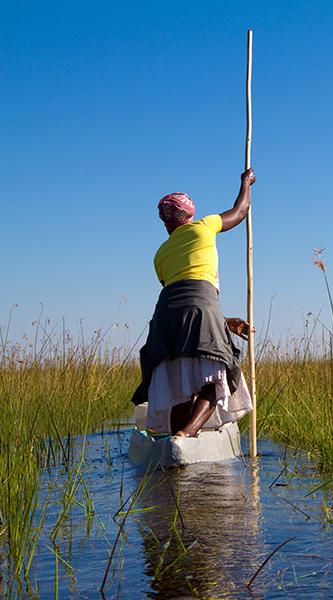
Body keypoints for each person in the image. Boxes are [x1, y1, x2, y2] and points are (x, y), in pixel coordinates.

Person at [131, 168, 256, 438]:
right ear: (190, 214)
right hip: (201, 305)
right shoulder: (204, 226)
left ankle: (175, 441)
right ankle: (186, 434)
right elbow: (241, 210)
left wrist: (226, 323)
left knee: (178, 383)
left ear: (165, 222)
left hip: (165, 314)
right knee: (215, 378)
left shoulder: (160, 254)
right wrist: (246, 183)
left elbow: (180, 300)